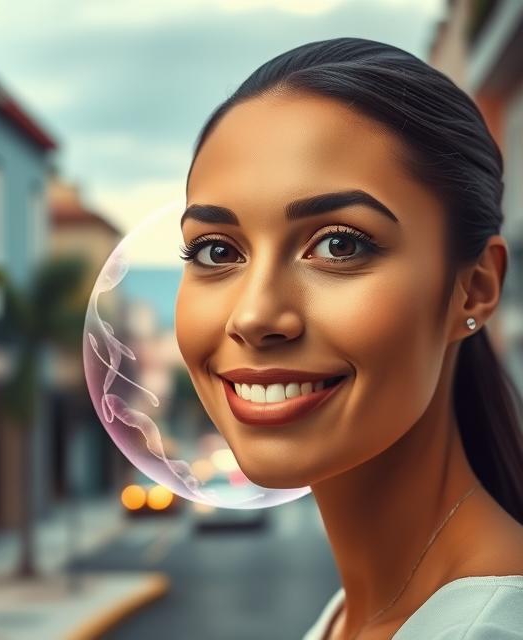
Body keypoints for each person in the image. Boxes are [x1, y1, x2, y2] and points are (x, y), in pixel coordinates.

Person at [174, 37, 523, 639]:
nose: (254, 316)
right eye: (217, 250)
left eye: (340, 244)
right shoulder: (364, 614)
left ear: (475, 288)